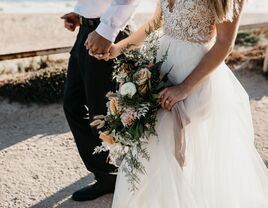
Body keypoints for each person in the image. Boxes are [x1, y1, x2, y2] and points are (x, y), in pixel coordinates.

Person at [96, 0, 268, 207]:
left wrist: (185, 87)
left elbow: (225, 43)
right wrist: (118, 49)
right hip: (162, 65)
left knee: (181, 149)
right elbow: (157, 20)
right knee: (152, 149)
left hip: (195, 75)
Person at [61, 0, 140, 202]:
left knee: (102, 113)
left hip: (107, 33)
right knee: (73, 104)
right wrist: (81, 13)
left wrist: (106, 30)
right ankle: (107, 172)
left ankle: (113, 175)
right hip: (88, 30)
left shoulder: (107, 30)